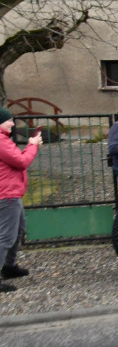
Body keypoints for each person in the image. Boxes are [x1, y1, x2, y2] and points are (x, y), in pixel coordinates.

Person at [0, 107, 42, 292]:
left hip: (12, 193)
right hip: (6, 194)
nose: (12, 123)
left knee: (18, 230)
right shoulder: (1, 141)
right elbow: (21, 161)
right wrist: (33, 145)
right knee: (6, 236)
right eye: (8, 120)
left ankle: (9, 266)